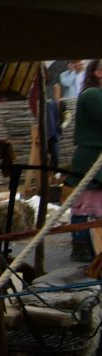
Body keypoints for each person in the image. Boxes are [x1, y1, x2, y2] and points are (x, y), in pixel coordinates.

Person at [68, 61, 102, 263]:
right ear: (98, 73)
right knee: (87, 203)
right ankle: (81, 246)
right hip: (91, 158)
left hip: (97, 157)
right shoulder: (92, 95)